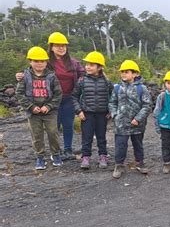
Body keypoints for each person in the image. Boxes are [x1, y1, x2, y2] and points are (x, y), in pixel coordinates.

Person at [16, 32, 84, 160]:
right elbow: (31, 71)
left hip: (68, 98)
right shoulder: (45, 60)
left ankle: (68, 150)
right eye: (57, 45)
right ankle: (56, 152)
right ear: (51, 47)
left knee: (68, 124)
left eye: (63, 45)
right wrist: (19, 76)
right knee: (54, 126)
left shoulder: (73, 62)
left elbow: (84, 74)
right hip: (51, 100)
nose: (61, 48)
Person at [16, 46, 63, 169]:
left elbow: (58, 94)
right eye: (36, 61)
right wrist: (31, 107)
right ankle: (40, 157)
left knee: (53, 133)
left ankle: (56, 154)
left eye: (42, 61)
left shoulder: (52, 76)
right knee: (36, 135)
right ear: (30, 61)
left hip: (50, 112)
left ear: (46, 62)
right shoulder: (24, 76)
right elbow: (19, 93)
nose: (39, 64)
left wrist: (49, 106)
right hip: (33, 113)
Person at [109, 60, 152, 179]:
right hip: (120, 124)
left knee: (138, 144)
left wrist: (138, 119)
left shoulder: (141, 88)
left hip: (137, 125)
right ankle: (119, 165)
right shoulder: (117, 88)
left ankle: (140, 162)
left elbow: (147, 105)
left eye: (126, 72)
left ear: (135, 74)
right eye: (122, 72)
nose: (123, 74)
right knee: (120, 145)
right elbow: (112, 102)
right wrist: (114, 114)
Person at [71, 51, 113, 169]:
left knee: (101, 137)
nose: (87, 67)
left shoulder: (106, 82)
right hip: (86, 114)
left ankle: (103, 156)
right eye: (87, 64)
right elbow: (74, 96)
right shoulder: (82, 80)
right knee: (87, 137)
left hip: (102, 114)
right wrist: (79, 111)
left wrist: (110, 110)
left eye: (91, 65)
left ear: (99, 67)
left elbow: (113, 97)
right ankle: (85, 157)